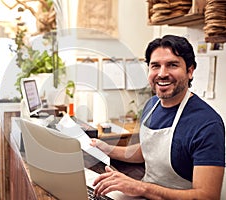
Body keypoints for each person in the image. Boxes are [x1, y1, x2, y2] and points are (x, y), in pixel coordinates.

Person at [91, 35, 225, 199]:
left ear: (190, 71)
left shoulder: (207, 124)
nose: (162, 74)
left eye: (172, 65)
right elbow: (147, 150)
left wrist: (141, 187)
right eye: (155, 66)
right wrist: (105, 148)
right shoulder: (151, 105)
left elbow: (207, 196)